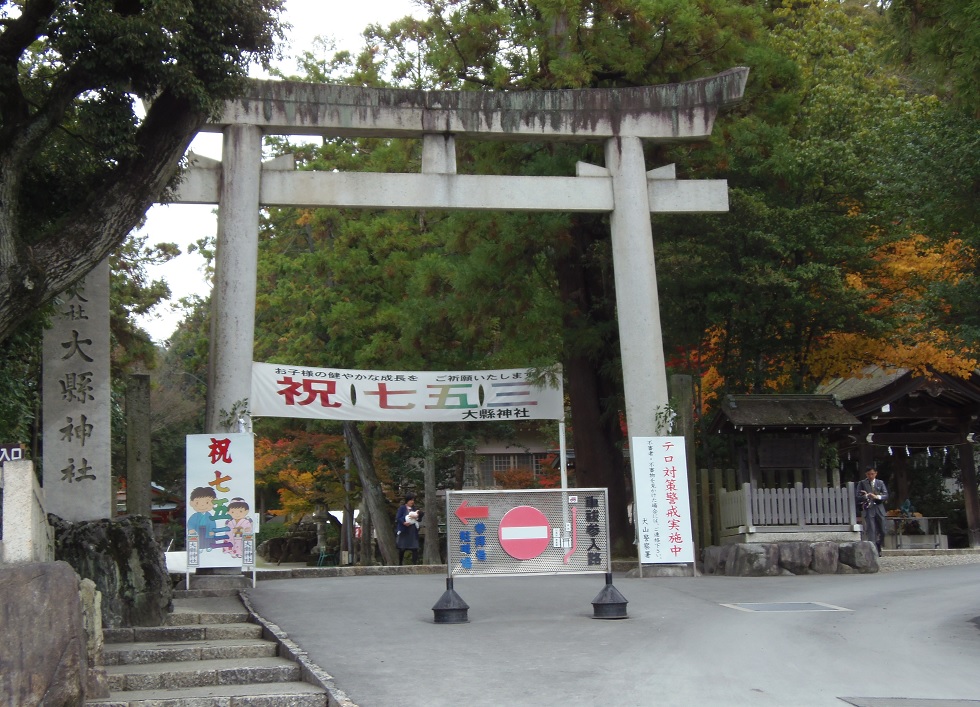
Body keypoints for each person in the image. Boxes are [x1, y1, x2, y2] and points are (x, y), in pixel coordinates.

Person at [857, 468, 888, 556]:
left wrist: (877, 496)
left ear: (875, 473)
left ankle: (879, 543)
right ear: (866, 474)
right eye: (868, 474)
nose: (870, 476)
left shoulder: (880, 483)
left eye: (872, 474)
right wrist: (866, 496)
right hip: (868, 508)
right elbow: (858, 496)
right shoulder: (862, 483)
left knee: (883, 530)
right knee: (871, 530)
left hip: (879, 507)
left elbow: (886, 495)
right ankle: (873, 551)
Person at [395, 493, 423, 565]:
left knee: (415, 548)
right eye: (411, 500)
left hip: (413, 531)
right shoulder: (402, 508)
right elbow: (398, 517)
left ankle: (414, 564)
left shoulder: (415, 509)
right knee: (402, 548)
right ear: (407, 500)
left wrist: (417, 517)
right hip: (404, 530)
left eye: (413, 500)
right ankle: (400, 563)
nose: (412, 502)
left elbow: (419, 519)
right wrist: (404, 522)